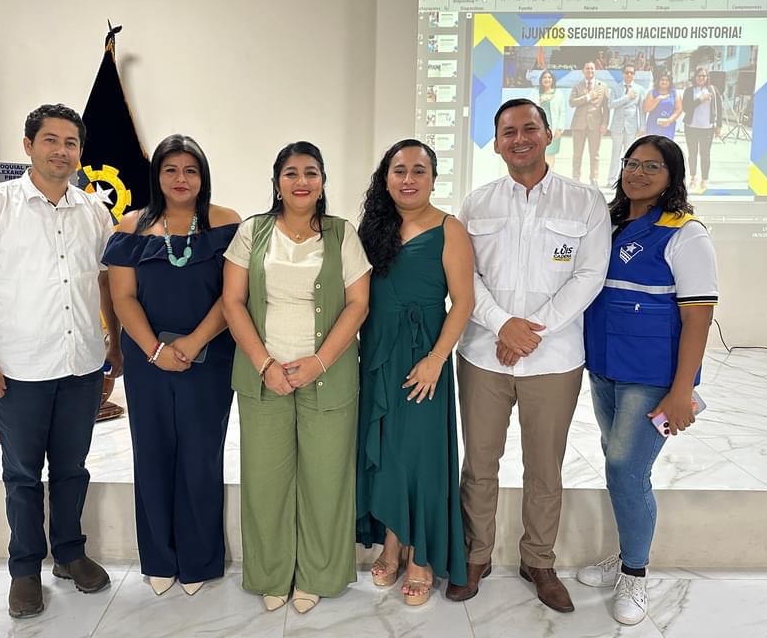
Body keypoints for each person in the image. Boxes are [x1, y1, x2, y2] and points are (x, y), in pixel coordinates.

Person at [0, 104, 122, 619]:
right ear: (28, 146)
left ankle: (69, 553)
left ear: (80, 153)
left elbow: (105, 283)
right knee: (22, 474)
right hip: (19, 369)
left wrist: (113, 343)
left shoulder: (95, 211)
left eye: (71, 143)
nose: (60, 151)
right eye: (50, 140)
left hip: (81, 364)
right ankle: (24, 569)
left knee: (71, 469)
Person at [447, 99, 611, 612]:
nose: (520, 138)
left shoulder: (584, 202)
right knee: (479, 464)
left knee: (545, 467)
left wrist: (530, 332)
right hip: (483, 354)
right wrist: (502, 325)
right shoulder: (477, 204)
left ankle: (538, 560)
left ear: (548, 134)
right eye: (509, 131)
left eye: (529, 128)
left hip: (554, 359)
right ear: (496, 143)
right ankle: (475, 555)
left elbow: (590, 275)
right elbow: (465, 276)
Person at [222, 141, 371, 614]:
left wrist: (319, 362)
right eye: (291, 173)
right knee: (265, 480)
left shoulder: (342, 234)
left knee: (326, 479)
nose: (301, 181)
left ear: (323, 182)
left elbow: (358, 304)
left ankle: (317, 575)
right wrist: (265, 364)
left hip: (327, 374)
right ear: (277, 183)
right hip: (263, 376)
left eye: (311, 172)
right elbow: (232, 302)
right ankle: (271, 573)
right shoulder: (252, 231)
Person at [578, 135, 717, 625]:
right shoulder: (610, 223)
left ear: (672, 175)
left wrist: (682, 391)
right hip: (605, 368)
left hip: (652, 377)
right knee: (619, 464)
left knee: (626, 470)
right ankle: (624, 555)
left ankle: (635, 573)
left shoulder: (685, 233)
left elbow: (698, 318)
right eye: (632, 163)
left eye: (652, 166)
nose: (637, 173)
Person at [103, 135, 240, 597]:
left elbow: (234, 295)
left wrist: (195, 342)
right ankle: (159, 558)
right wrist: (155, 350)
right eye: (171, 170)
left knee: (201, 456)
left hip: (211, 355)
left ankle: (199, 559)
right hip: (148, 360)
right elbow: (122, 297)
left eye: (190, 170)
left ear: (203, 176)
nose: (181, 179)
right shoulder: (130, 226)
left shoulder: (226, 223)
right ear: (156, 175)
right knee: (153, 453)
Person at [355, 139, 475, 607]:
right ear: (385, 178)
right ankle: (391, 543)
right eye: (399, 170)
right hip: (377, 354)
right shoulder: (372, 229)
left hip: (425, 356)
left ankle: (420, 556)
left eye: (419, 170)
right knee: (386, 450)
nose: (408, 179)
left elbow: (463, 302)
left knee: (421, 456)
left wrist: (436, 358)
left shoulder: (449, 229)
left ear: (433, 178)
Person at [681, 68, 723, 193]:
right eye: (699, 75)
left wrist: (719, 125)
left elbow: (719, 108)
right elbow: (685, 108)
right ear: (695, 77)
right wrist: (700, 99)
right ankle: (693, 178)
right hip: (691, 127)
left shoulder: (713, 90)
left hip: (707, 128)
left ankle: (704, 180)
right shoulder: (689, 90)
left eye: (704, 76)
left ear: (707, 77)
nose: (701, 78)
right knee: (692, 153)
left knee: (705, 154)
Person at [568, 62, 610, 185]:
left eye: (592, 68)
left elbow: (606, 107)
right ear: (583, 70)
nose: (590, 71)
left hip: (596, 125)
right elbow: (572, 102)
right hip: (579, 125)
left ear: (595, 70)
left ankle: (594, 178)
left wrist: (605, 123)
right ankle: (576, 178)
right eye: (587, 68)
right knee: (577, 154)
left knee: (595, 154)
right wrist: (588, 97)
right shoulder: (577, 86)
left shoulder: (603, 86)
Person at [607, 63, 646, 187]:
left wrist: (642, 127)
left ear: (634, 75)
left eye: (631, 73)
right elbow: (611, 104)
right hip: (617, 126)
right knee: (615, 154)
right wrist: (627, 97)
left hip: (632, 127)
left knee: (629, 155)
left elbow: (642, 110)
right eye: (627, 72)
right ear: (623, 74)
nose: (629, 75)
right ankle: (611, 179)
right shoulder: (615, 87)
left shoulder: (639, 89)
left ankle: (627, 179)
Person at [537, 69, 565, 167]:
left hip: (553, 128)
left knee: (550, 153)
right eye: (544, 77)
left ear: (552, 80)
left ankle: (550, 172)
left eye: (549, 77)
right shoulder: (535, 93)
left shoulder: (558, 94)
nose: (547, 79)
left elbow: (562, 111)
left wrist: (560, 128)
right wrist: (540, 101)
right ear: (541, 80)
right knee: (539, 153)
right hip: (538, 128)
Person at [643, 72, 682, 139]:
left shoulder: (675, 93)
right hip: (653, 125)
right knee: (653, 143)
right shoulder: (652, 92)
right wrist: (658, 99)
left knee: (666, 144)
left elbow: (679, 110)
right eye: (662, 80)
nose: (664, 82)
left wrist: (669, 120)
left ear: (670, 82)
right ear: (658, 81)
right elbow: (646, 109)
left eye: (667, 80)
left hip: (668, 126)